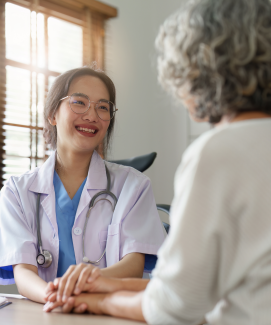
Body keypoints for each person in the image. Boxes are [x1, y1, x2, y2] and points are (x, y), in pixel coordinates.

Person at [43, 0, 271, 324]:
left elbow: (176, 306)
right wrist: (107, 283)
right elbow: (217, 284)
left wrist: (102, 302)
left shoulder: (218, 151)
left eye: (103, 107)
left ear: (202, 70)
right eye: (78, 103)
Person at [0, 66, 165, 303]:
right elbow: (24, 271)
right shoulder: (16, 191)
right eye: (79, 102)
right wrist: (56, 297)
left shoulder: (134, 186)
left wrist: (83, 286)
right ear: (52, 114)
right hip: (49, 311)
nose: (91, 115)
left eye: (103, 107)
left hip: (109, 313)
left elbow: (133, 265)